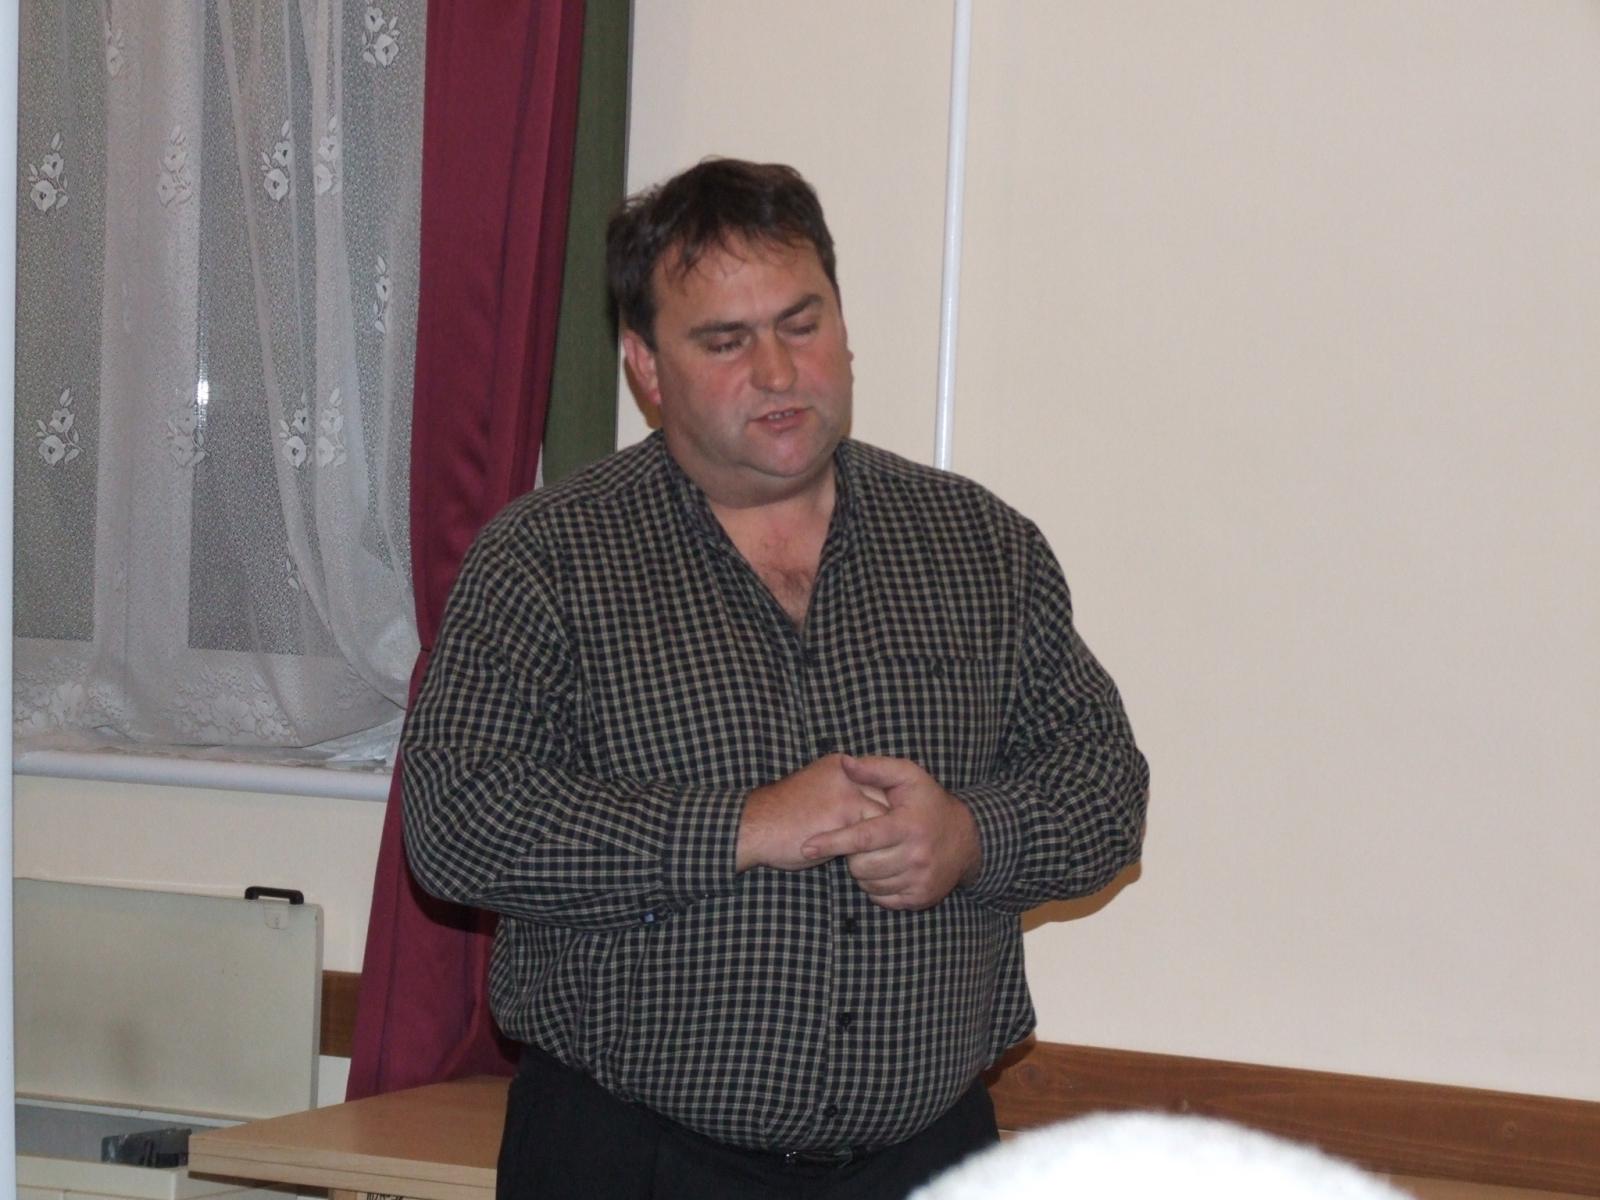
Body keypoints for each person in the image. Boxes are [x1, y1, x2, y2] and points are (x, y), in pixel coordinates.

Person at [402, 158, 1149, 1199]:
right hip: (631, 1158)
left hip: (926, 1155)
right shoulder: (549, 559)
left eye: (802, 324)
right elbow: (457, 822)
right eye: (725, 341)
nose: (778, 371)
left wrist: (970, 837)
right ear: (645, 366)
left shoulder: (981, 547)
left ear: (842, 325)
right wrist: (745, 825)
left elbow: (1106, 789)